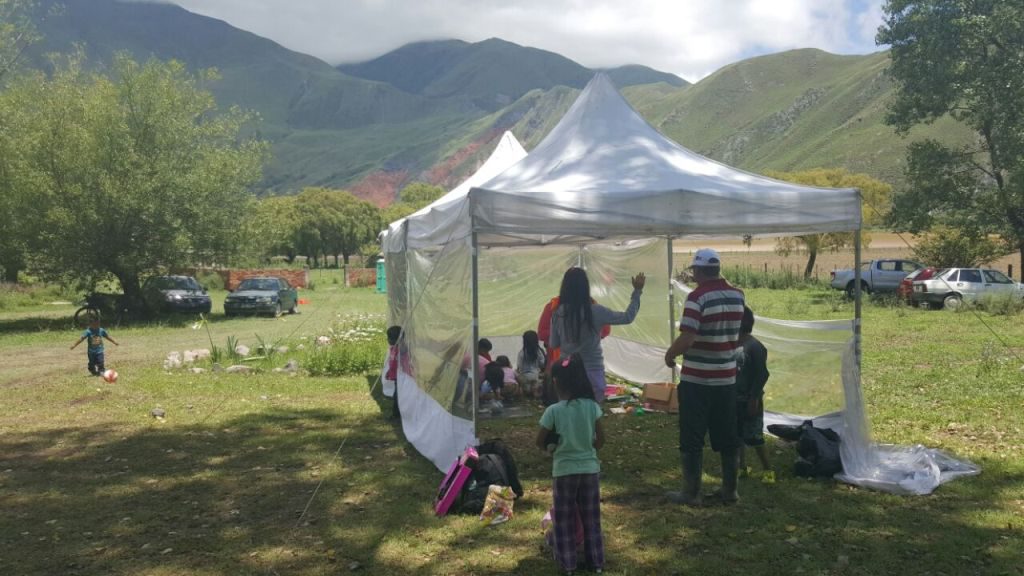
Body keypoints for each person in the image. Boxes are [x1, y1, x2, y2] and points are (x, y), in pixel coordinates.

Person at [664, 248, 745, 506]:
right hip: (726, 379)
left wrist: (670, 354)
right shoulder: (738, 295)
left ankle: (691, 493)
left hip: (698, 380)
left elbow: (688, 337)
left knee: (692, 437)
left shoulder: (696, 298)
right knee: (727, 436)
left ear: (698, 271)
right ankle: (730, 490)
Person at [535, 354, 605, 575]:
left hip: (564, 471)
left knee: (564, 519)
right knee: (591, 518)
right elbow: (601, 440)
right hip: (590, 470)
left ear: (555, 382)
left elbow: (539, 440)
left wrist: (550, 449)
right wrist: (588, 447)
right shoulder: (592, 406)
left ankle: (568, 563)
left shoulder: (554, 411)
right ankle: (596, 562)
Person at [549, 267, 645, 401]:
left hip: (567, 372)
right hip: (593, 373)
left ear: (564, 287)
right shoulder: (596, 311)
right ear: (585, 287)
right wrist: (637, 292)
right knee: (592, 411)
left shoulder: (558, 313)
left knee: (569, 411)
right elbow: (627, 317)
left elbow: (553, 343)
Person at [735, 306, 773, 479]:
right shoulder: (732, 344)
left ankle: (768, 471)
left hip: (750, 400)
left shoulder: (755, 346)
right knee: (737, 437)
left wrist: (753, 398)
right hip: (734, 400)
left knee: (755, 438)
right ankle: (741, 467)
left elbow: (762, 374)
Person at [516, 330, 547, 399]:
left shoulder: (521, 352)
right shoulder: (538, 351)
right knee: (536, 385)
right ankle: (535, 391)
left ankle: (527, 391)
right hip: (535, 375)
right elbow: (542, 363)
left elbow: (519, 366)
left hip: (524, 377)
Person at [384, 325, 402, 420]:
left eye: (389, 338)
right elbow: (392, 363)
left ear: (396, 339)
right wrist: (389, 371)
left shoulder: (401, 351)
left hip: (400, 378)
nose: (387, 340)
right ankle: (397, 413)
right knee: (396, 395)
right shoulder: (393, 349)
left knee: (397, 396)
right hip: (396, 377)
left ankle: (396, 415)